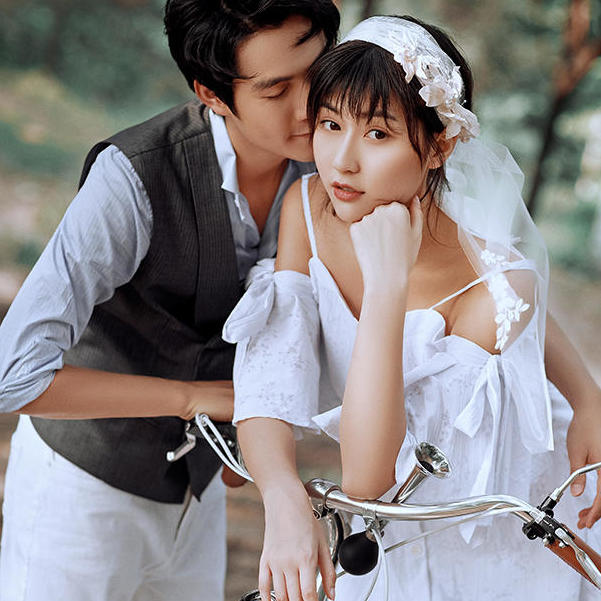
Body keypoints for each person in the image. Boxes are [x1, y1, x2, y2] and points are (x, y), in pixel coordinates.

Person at [222, 15, 601, 601]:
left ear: (439, 146)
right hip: (393, 536)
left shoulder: (495, 286)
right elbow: (272, 372)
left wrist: (386, 287)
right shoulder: (311, 207)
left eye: (378, 134)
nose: (342, 161)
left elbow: (368, 479)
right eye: (330, 124)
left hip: (498, 538)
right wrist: (281, 494)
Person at [0, 1, 340, 599]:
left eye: (319, 73)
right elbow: (12, 375)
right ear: (211, 94)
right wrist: (190, 397)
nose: (310, 105)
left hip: (199, 497)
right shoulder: (132, 176)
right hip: (82, 491)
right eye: (276, 89)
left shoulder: (332, 175)